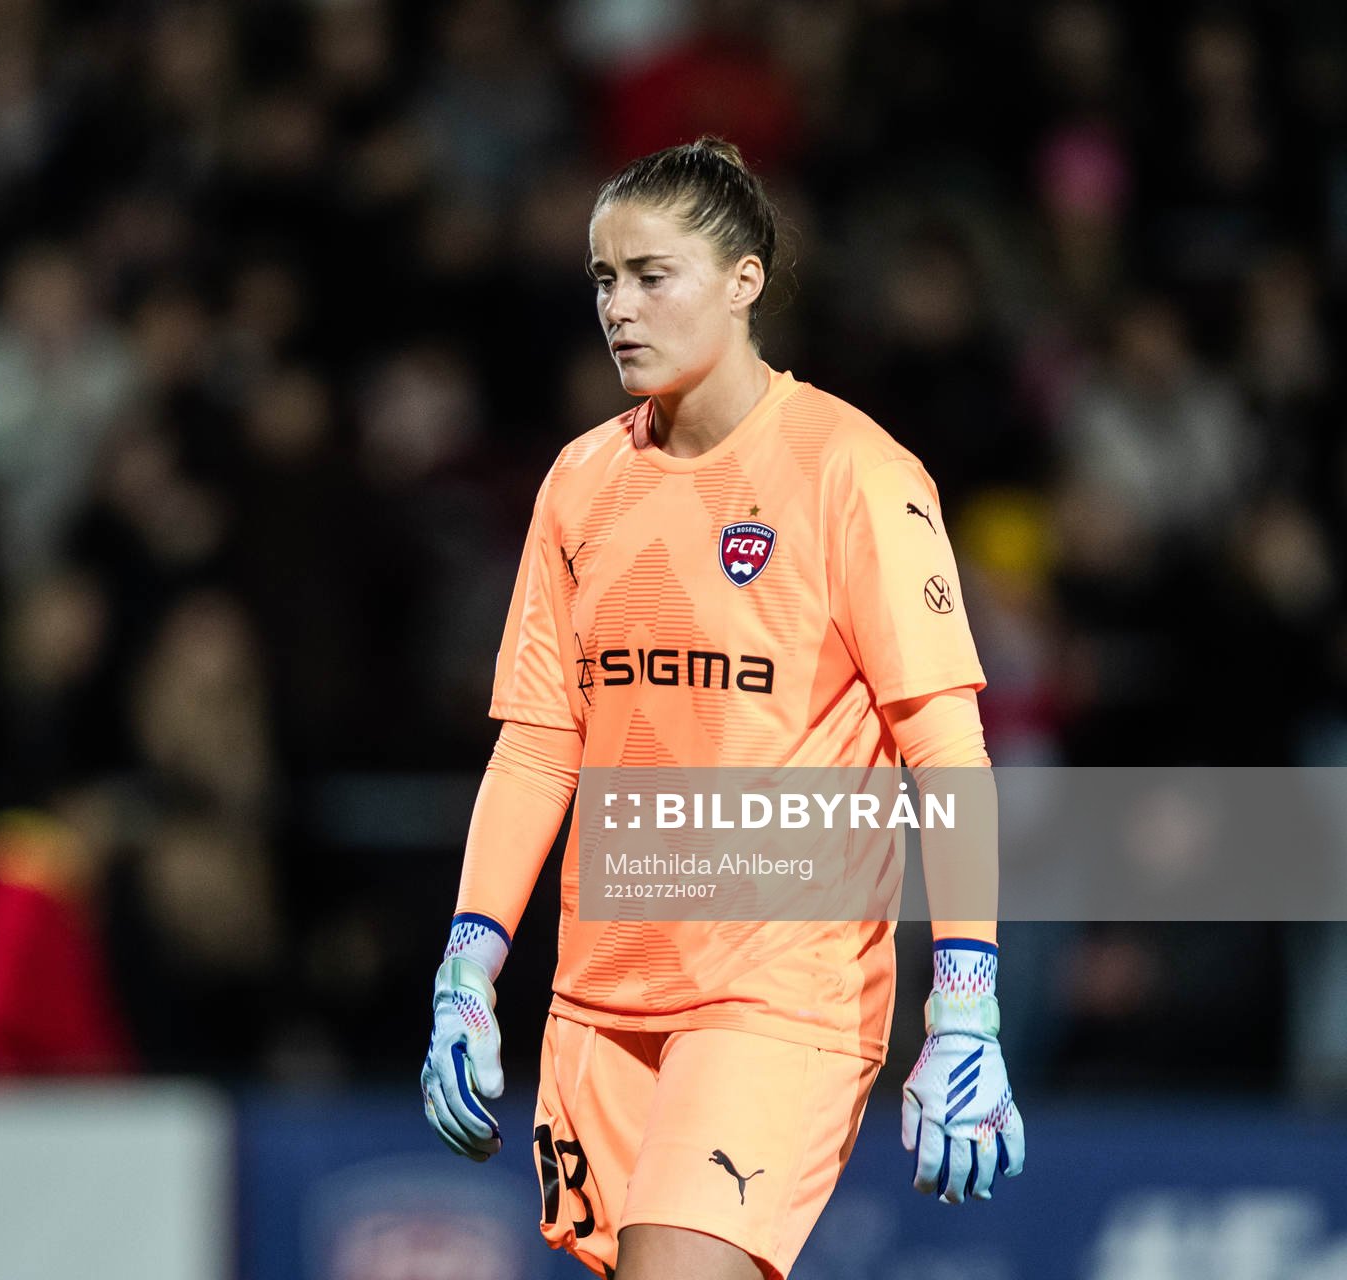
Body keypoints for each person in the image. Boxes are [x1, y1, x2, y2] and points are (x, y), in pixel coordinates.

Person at [419, 137, 1026, 1280]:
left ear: (745, 279)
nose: (620, 308)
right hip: (605, 992)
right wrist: (469, 962)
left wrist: (966, 995)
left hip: (778, 987)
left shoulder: (853, 471)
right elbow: (543, 741)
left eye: (655, 275)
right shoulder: (581, 483)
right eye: (604, 279)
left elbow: (944, 742)